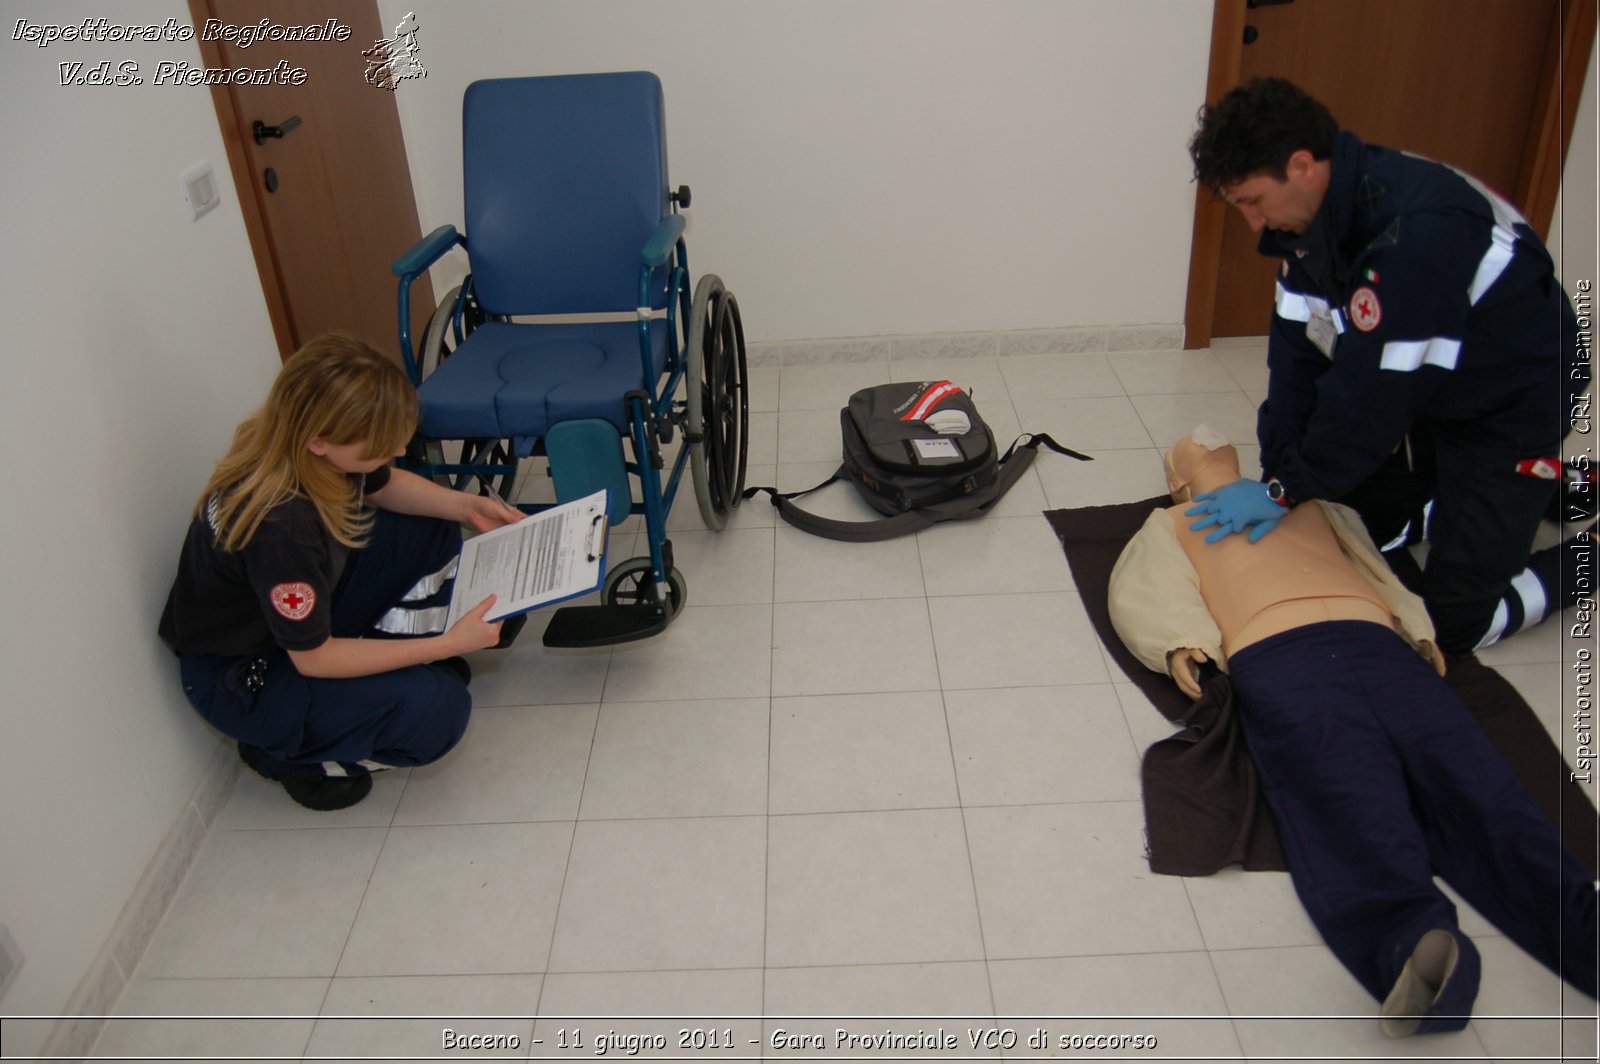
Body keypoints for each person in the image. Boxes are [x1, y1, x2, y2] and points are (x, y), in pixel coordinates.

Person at [1108, 428, 1596, 1038]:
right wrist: (1180, 642)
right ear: (1177, 485)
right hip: (1278, 656)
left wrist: (1413, 625)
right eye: (1194, 454)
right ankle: (1410, 941)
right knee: (1348, 796)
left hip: (1377, 644)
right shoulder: (1169, 526)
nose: (1213, 453)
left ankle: (1583, 923)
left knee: (1478, 779)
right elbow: (1142, 590)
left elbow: (1374, 565)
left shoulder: (1314, 504)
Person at [1185, 76, 1591, 654]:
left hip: (1517, 398)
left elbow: (1371, 398)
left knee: (1452, 625)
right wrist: (1280, 475)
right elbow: (1296, 364)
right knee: (1361, 527)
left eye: (1252, 202)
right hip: (1435, 385)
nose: (1253, 223)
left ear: (1302, 166)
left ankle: (1584, 549)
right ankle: (1545, 493)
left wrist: (1284, 489)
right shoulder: (1308, 226)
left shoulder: (1416, 237)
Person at [159, 333, 524, 810]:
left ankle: (393, 672)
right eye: (378, 446)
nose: (393, 452)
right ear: (320, 442)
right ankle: (287, 756)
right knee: (438, 712)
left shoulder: (297, 444)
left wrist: (466, 507)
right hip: (248, 678)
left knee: (428, 527)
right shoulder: (280, 528)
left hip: (287, 632)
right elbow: (314, 659)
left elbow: (384, 485)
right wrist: (445, 644)